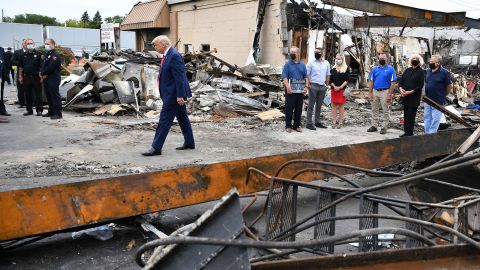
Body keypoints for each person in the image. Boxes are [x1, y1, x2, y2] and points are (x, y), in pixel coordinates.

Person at [142, 35, 195, 156]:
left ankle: (156, 147)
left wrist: (180, 95)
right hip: (171, 93)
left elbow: (180, 77)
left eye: (155, 45)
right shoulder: (168, 55)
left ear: (163, 44)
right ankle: (189, 142)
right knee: (182, 118)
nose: (154, 47)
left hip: (174, 95)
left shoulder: (174, 55)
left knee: (164, 121)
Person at [367, 53, 396, 135]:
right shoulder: (374, 69)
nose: (382, 59)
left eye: (383, 58)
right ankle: (374, 126)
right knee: (374, 109)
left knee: (385, 110)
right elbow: (371, 81)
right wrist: (370, 93)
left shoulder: (391, 69)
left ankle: (384, 127)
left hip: (385, 91)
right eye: (380, 58)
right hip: (375, 91)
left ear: (387, 59)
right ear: (378, 59)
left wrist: (390, 94)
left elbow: (393, 82)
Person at [282, 46, 309, 133]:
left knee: (298, 109)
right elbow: (285, 77)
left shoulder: (302, 65)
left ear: (298, 53)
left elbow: (306, 77)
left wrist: (306, 87)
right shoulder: (287, 65)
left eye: (293, 52)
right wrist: (287, 86)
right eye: (290, 52)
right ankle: (288, 126)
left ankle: (297, 125)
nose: (291, 54)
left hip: (300, 91)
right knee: (289, 109)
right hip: (290, 90)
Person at [424, 55, 453, 134]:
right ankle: (427, 133)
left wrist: (444, 94)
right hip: (427, 99)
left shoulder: (444, 72)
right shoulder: (428, 71)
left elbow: (449, 86)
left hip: (438, 99)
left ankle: (432, 133)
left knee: (435, 118)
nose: (429, 63)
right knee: (427, 117)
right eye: (430, 61)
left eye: (431, 62)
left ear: (438, 63)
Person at [398, 54, 425, 137]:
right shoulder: (407, 70)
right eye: (413, 58)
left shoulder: (421, 72)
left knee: (411, 116)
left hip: (414, 97)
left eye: (417, 58)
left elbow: (420, 85)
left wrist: (411, 91)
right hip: (405, 97)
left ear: (420, 61)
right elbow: (401, 81)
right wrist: (400, 88)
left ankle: (410, 133)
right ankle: (406, 132)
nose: (415, 59)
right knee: (406, 115)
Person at [306, 47, 329, 130]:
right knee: (311, 105)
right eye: (315, 52)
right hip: (313, 86)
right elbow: (307, 74)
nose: (316, 53)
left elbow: (328, 74)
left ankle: (317, 122)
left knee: (319, 105)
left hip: (322, 87)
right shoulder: (311, 63)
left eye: (318, 52)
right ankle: (309, 123)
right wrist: (308, 85)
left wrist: (327, 85)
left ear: (322, 53)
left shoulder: (326, 63)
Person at [18, 39, 43, 116]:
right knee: (27, 94)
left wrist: (41, 77)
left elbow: (41, 67)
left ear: (34, 43)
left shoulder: (38, 54)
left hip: (36, 77)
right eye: (28, 43)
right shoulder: (23, 55)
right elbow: (20, 67)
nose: (29, 45)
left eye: (31, 43)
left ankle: (39, 110)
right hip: (26, 77)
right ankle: (29, 110)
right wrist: (20, 77)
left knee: (38, 95)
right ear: (25, 44)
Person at [40, 38, 62, 119]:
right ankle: (51, 111)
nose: (46, 45)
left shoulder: (55, 55)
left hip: (53, 78)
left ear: (53, 44)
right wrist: (41, 72)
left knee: (54, 96)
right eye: (45, 44)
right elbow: (43, 65)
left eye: (47, 43)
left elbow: (51, 67)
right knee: (49, 96)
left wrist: (42, 73)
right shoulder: (47, 54)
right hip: (46, 78)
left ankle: (58, 113)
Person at [329, 54, 350, 129]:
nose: (338, 60)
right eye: (337, 59)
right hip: (333, 89)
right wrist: (334, 86)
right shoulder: (333, 69)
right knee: (334, 106)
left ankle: (340, 122)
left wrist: (340, 87)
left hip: (342, 90)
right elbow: (330, 80)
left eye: (339, 59)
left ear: (342, 59)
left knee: (341, 106)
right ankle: (334, 122)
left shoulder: (346, 68)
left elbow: (347, 80)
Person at [12, 40, 27, 107]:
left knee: (29, 89)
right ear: (22, 44)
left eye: (27, 43)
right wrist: (20, 64)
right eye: (24, 43)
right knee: (20, 89)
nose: (26, 44)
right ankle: (21, 103)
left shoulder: (31, 52)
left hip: (29, 73)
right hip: (20, 72)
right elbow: (12, 60)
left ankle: (29, 103)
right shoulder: (17, 52)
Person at [0, 46, 9, 116]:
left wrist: (6, 75)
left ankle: (2, 109)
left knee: (1, 94)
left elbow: (4, 62)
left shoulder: (1, 49)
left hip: (1, 76)